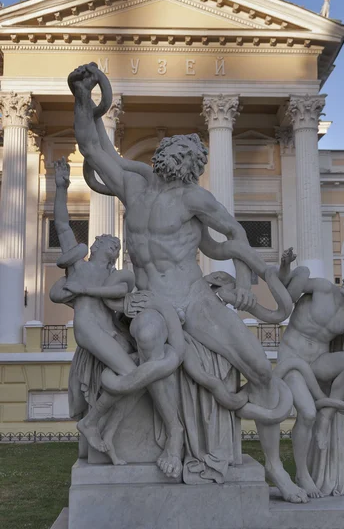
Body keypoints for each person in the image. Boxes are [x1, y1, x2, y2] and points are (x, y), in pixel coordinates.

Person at [67, 62, 307, 502]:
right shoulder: (132, 187)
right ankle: (174, 435)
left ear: (193, 166)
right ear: (165, 155)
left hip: (194, 298)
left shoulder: (195, 198)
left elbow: (234, 236)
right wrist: (82, 96)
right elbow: (92, 145)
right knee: (146, 335)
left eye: (188, 156)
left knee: (258, 366)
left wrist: (241, 283)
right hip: (153, 300)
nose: (181, 159)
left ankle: (275, 467)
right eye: (177, 151)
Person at [50, 157, 185, 476]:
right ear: (94, 246)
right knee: (131, 375)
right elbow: (62, 225)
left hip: (109, 332)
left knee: (134, 376)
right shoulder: (78, 267)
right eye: (107, 241)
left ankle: (104, 431)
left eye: (114, 245)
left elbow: (117, 299)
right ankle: (92, 423)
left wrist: (83, 290)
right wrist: (61, 188)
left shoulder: (116, 277)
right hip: (88, 329)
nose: (111, 243)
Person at [276, 256, 344, 498]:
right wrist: (286, 266)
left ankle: (327, 418)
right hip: (292, 358)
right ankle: (302, 474)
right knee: (308, 413)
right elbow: (285, 290)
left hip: (319, 363)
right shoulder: (321, 287)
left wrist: (341, 393)